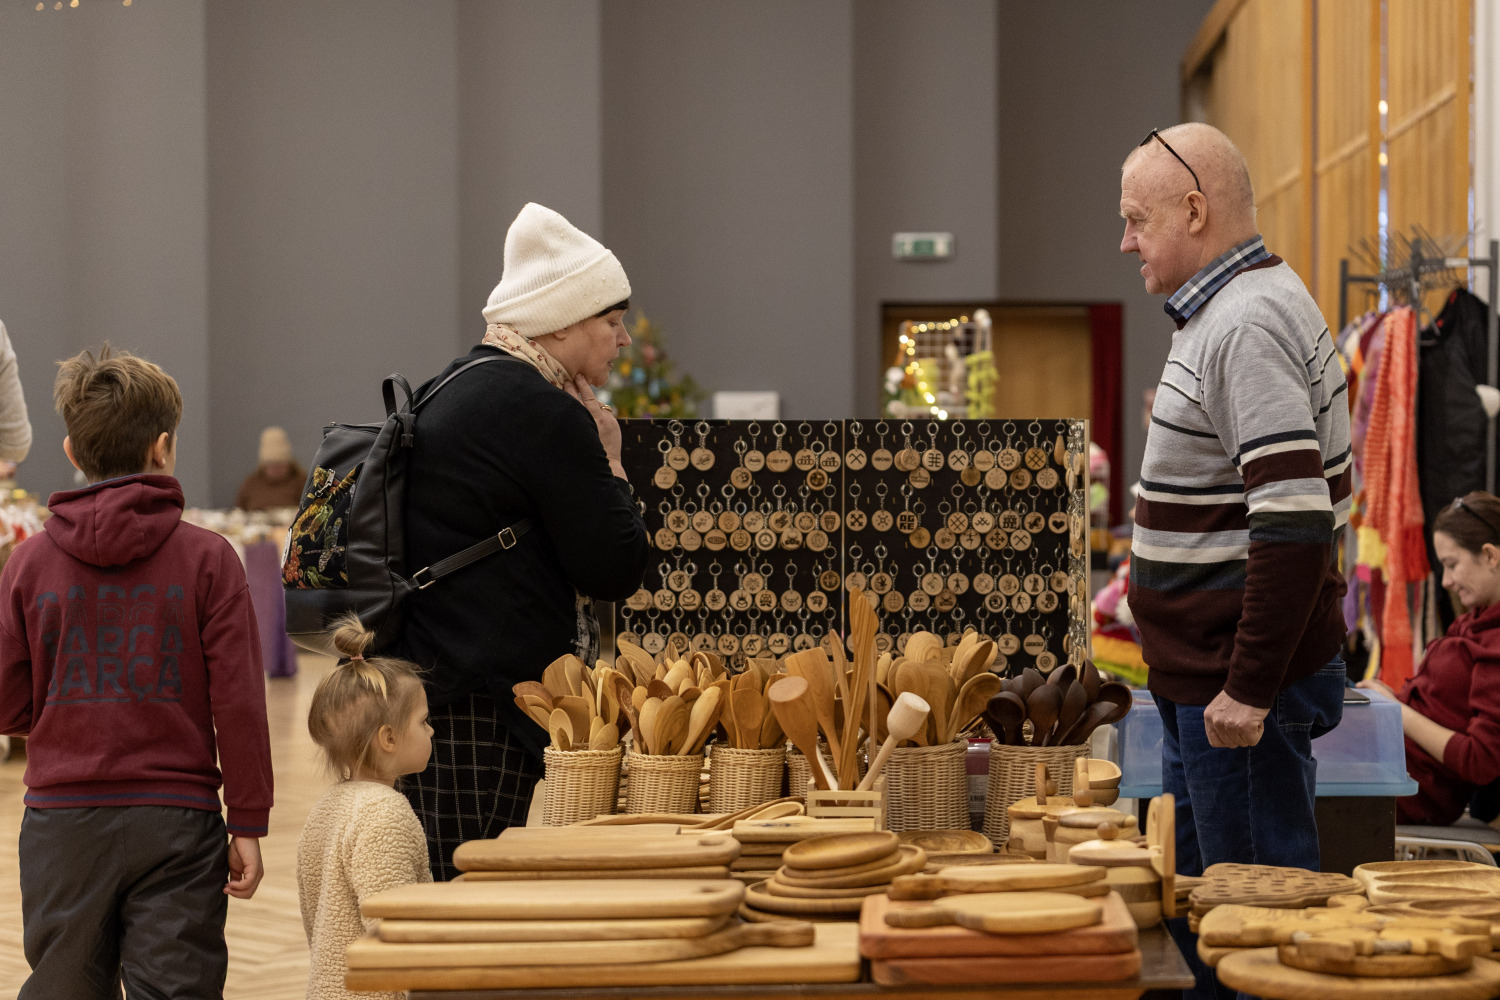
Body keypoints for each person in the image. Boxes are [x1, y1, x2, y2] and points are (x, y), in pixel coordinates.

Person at [1121, 124, 1349, 996]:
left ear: (1195, 208)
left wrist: (1249, 687)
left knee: (1255, 940)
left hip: (1234, 693)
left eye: (1137, 219)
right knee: (1216, 919)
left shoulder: (1245, 321)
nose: (1126, 240)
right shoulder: (1229, 310)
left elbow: (1293, 524)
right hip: (1211, 685)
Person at [0, 345, 273, 998]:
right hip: (177, 822)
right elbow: (239, 705)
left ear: (70, 451)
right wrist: (249, 821)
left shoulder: (28, 564)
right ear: (163, 448)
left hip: (62, 823)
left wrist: (70, 720)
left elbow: (7, 703)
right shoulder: (210, 560)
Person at [390, 202, 649, 880]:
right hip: (487, 705)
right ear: (563, 321)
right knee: (471, 900)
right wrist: (614, 463)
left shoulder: (455, 382)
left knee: (446, 891)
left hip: (431, 690)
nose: (622, 342)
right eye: (612, 322)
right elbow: (615, 566)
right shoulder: (544, 411)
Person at [298, 615, 433, 1000]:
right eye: (424, 722)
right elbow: (394, 931)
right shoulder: (385, 813)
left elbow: (315, 916)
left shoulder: (328, 807)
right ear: (388, 738)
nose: (431, 731)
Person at [1359, 492, 1500, 825]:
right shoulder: (1477, 621)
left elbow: (1480, 759)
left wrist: (1396, 711)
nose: (1447, 581)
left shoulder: (1493, 641)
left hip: (1405, 788)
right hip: (1388, 766)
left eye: (1452, 564)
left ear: (1490, 556)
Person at [236, 425, 305, 511]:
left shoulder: (303, 484)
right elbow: (239, 513)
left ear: (289, 463)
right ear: (263, 465)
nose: (276, 469)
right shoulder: (250, 484)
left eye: (280, 464)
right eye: (271, 465)